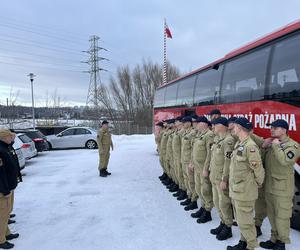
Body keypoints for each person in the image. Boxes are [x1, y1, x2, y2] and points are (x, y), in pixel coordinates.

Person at [260, 119, 300, 250]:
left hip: (282, 189)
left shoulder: (293, 146)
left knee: (282, 218)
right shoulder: (272, 143)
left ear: (284, 130)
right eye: (271, 127)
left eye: (275, 128)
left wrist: (276, 146)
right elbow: (262, 162)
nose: (271, 130)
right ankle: (273, 239)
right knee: (271, 216)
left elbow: (285, 160)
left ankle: (281, 243)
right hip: (270, 187)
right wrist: (264, 147)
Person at [227, 117, 265, 250]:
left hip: (245, 191)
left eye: (235, 126)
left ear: (240, 128)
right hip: (238, 189)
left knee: (246, 223)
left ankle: (251, 246)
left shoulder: (250, 146)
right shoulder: (240, 143)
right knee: (241, 220)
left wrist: (257, 183)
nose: (233, 128)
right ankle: (243, 243)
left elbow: (258, 169)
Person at [209, 117, 235, 241]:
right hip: (214, 176)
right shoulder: (218, 139)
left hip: (221, 178)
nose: (213, 126)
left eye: (216, 124)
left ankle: (228, 227)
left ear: (223, 126)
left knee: (224, 203)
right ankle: (223, 222)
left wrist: (225, 179)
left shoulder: (228, 141)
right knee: (217, 201)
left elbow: (227, 162)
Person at [190, 116, 215, 223]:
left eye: (198, 122)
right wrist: (192, 162)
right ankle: (203, 207)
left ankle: (207, 211)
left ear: (204, 124)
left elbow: (210, 154)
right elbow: (194, 151)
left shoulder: (209, 135)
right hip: (197, 167)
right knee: (199, 188)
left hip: (203, 167)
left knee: (205, 190)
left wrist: (206, 168)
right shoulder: (199, 135)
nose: (196, 124)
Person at [0, 129, 21, 249]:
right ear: (3, 137)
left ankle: (6, 234)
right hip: (3, 190)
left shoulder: (6, 147)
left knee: (5, 213)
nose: (12, 139)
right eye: (10, 136)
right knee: (2, 215)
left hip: (9, 186)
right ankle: (1, 240)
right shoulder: (1, 150)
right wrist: (5, 190)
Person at [180, 116, 198, 210]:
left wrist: (192, 162)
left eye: (184, 122)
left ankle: (193, 200)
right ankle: (189, 196)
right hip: (184, 159)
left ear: (189, 123)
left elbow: (193, 149)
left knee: (191, 182)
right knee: (186, 179)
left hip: (189, 161)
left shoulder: (193, 133)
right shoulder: (185, 132)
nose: (182, 124)